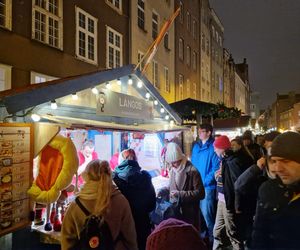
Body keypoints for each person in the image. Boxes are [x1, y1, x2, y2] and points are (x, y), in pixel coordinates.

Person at [61, 159, 138, 250]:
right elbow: (130, 238)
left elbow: (67, 241)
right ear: (109, 174)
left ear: (87, 176)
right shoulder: (121, 201)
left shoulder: (76, 205)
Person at [251, 131, 300, 249]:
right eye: (274, 161)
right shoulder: (268, 189)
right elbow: (259, 233)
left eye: (286, 161)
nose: (277, 168)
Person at [234, 131, 281, 247]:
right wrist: (256, 168)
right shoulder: (261, 171)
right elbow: (239, 185)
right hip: (259, 224)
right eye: (268, 148)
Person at [213, 135, 253, 250]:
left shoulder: (233, 161)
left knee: (233, 233)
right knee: (217, 231)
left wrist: (236, 204)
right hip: (222, 200)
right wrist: (219, 176)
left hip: (228, 201)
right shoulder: (225, 160)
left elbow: (238, 184)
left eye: (216, 147)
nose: (214, 150)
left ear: (222, 148)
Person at [113, 149, 156, 250]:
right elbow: (152, 204)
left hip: (123, 228)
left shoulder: (114, 179)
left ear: (121, 161)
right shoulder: (145, 178)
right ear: (136, 159)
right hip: (143, 225)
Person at [166, 142, 205, 230]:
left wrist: (180, 194)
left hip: (189, 214)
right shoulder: (172, 169)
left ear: (180, 159)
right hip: (176, 213)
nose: (172, 165)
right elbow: (173, 186)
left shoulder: (192, 171)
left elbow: (201, 193)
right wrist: (165, 190)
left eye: (174, 162)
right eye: (170, 163)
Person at [191, 124, 219, 243]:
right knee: (198, 216)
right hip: (196, 186)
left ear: (209, 133)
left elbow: (216, 169)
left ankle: (213, 242)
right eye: (199, 131)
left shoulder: (213, 147)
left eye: (202, 131)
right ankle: (202, 241)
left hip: (207, 188)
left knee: (208, 217)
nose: (199, 133)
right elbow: (192, 164)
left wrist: (204, 182)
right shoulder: (196, 147)